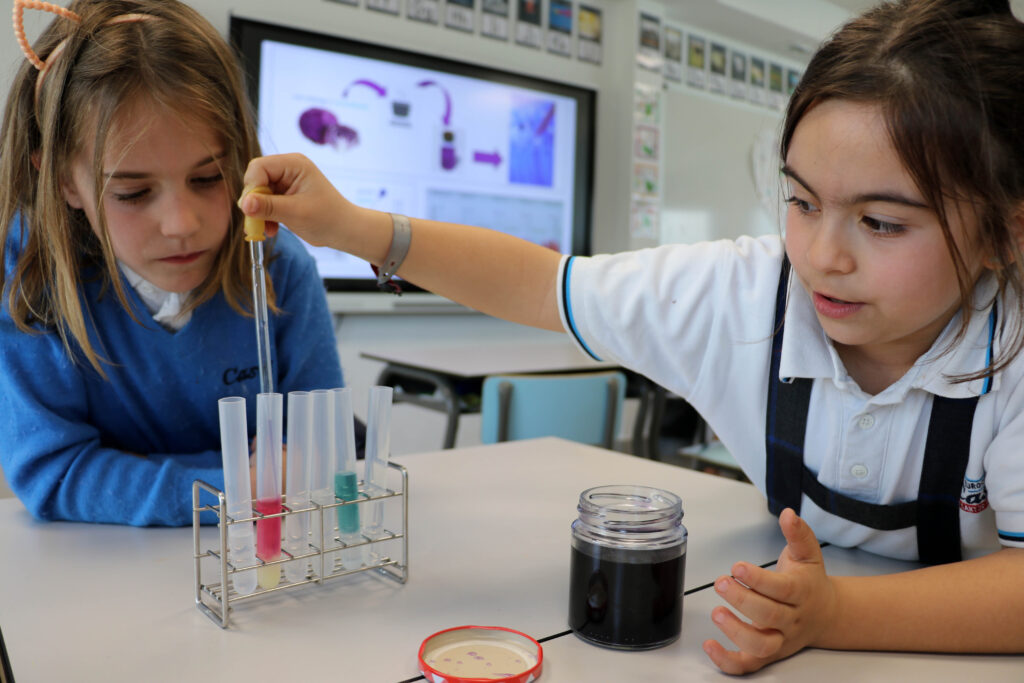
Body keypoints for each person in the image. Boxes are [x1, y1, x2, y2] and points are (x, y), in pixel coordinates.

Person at [238, 0, 1024, 673]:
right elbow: (541, 282)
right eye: (802, 201)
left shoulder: (1014, 342)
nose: (823, 256)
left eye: (882, 222)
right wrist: (356, 228)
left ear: (1005, 231)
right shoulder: (742, 295)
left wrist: (831, 614)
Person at [0, 0, 362, 527]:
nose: (180, 224)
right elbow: (53, 473)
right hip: (107, 578)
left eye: (209, 178)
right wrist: (235, 483)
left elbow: (317, 457)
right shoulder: (31, 274)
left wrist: (130, 472)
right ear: (62, 180)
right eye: (133, 191)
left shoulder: (280, 269)